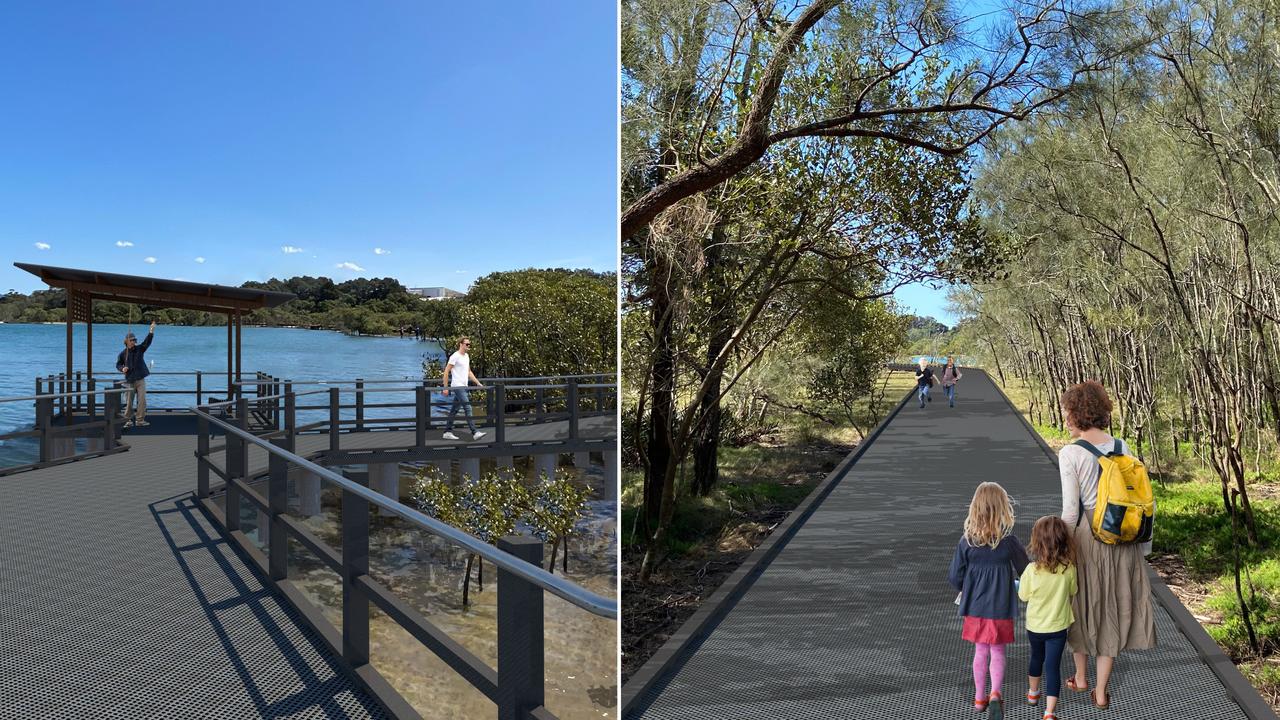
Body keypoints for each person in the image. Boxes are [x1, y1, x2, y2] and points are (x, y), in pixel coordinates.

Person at [1058, 380, 1155, 710]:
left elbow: (1070, 510)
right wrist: (1145, 549)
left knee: (1082, 606)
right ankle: (1100, 691)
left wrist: (1060, 549)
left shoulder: (1071, 453)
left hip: (1088, 539)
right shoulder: (1122, 446)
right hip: (1122, 542)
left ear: (1077, 413)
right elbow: (1139, 499)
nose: (1064, 419)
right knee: (1112, 611)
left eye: (1066, 412)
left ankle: (1080, 676)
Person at [948, 482, 1029, 715]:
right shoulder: (1009, 543)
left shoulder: (967, 542)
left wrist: (968, 586)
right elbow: (1026, 571)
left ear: (975, 508)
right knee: (998, 651)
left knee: (980, 651)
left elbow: (954, 576)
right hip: (1001, 606)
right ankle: (995, 693)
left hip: (975, 606)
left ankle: (978, 698)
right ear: (1003, 507)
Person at [1019, 516, 1078, 720]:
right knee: (1053, 666)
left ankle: (1033, 694)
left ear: (1037, 541)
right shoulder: (1069, 569)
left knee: (1036, 658)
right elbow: (1074, 590)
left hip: (1035, 627)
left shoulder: (1031, 570)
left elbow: (1023, 596)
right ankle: (1049, 712)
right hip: (1058, 627)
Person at [442, 336, 486, 441]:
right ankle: (475, 432)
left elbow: (469, 372)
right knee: (468, 407)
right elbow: (446, 371)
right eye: (467, 344)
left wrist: (478, 383)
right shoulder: (455, 356)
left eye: (469, 344)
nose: (468, 346)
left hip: (464, 386)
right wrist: (445, 387)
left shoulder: (466, 356)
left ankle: (447, 432)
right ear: (461, 344)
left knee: (454, 410)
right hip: (457, 386)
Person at [116, 320, 156, 428]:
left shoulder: (140, 349)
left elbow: (147, 342)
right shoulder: (123, 354)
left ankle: (140, 420)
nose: (134, 341)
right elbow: (118, 365)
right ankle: (127, 421)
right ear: (127, 341)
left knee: (142, 401)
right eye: (132, 340)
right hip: (129, 380)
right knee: (129, 402)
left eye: (134, 340)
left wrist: (151, 331)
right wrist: (122, 368)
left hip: (140, 379)